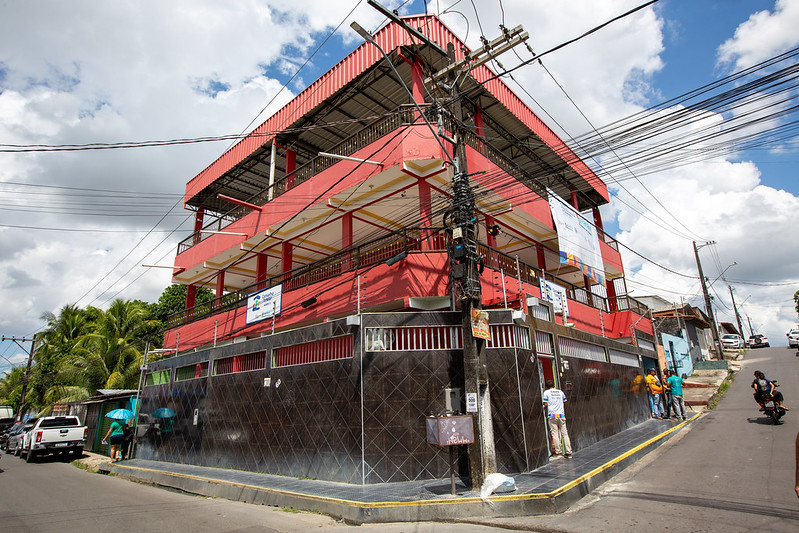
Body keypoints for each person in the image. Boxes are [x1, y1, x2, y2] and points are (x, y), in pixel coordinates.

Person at [543, 380, 572, 458]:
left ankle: (558, 452)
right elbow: (565, 401)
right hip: (561, 415)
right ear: (554, 385)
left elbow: (545, 404)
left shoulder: (546, 393)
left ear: (546, 387)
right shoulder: (560, 392)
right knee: (565, 434)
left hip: (552, 415)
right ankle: (569, 452)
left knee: (555, 433)